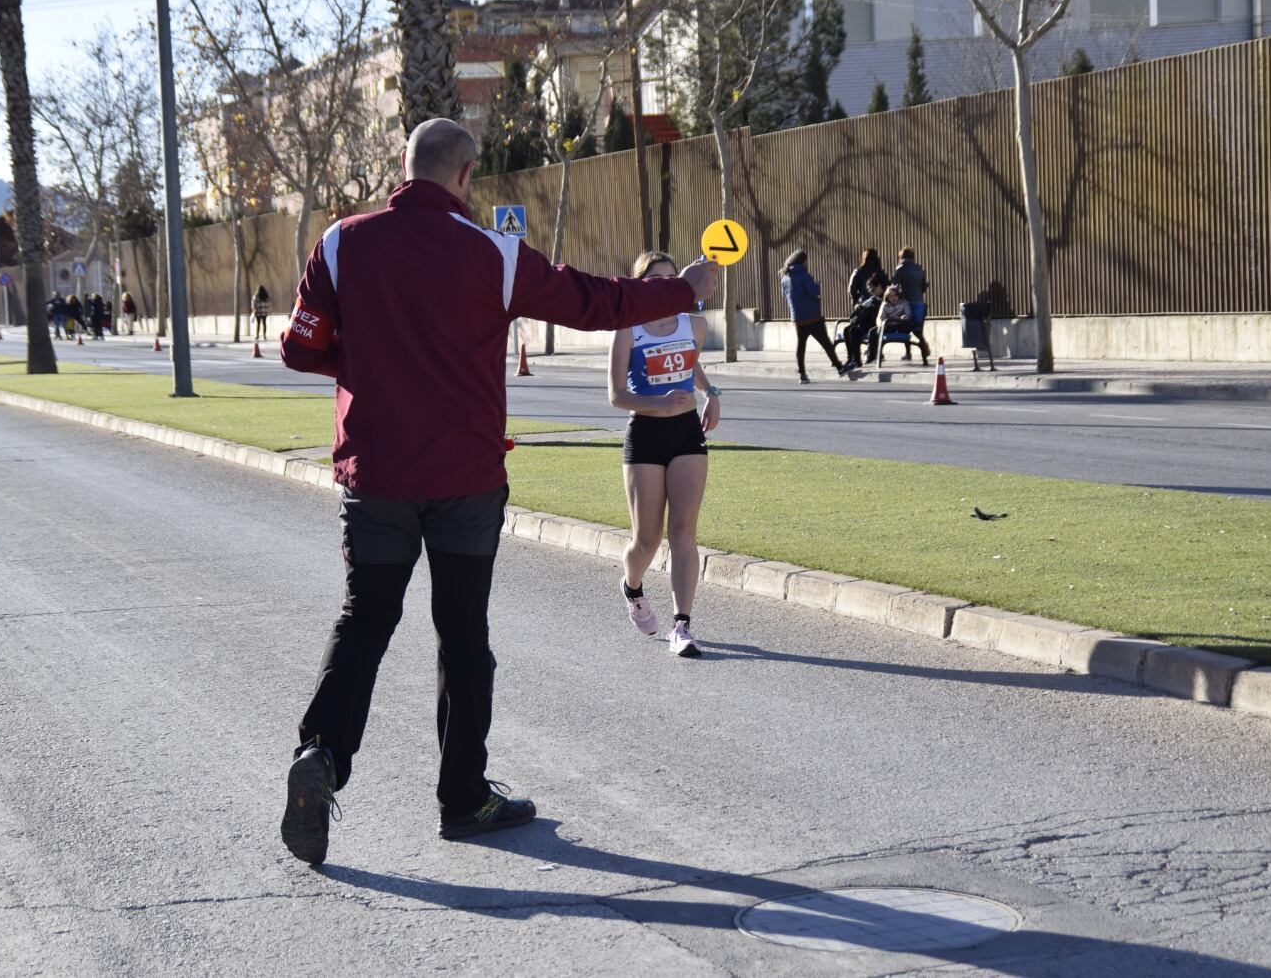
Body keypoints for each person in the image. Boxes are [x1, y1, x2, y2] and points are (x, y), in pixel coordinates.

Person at [276, 117, 718, 866]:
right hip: (466, 478)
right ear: (467, 175)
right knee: (462, 632)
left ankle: (319, 755)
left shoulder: (343, 242)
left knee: (365, 619)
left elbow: (297, 346)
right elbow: (591, 301)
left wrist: (371, 370)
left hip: (376, 474)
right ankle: (463, 796)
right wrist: (679, 290)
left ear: (404, 167)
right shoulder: (494, 254)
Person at [610, 251, 721, 659]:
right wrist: (660, 404)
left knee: (684, 533)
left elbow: (690, 366)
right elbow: (616, 395)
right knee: (647, 539)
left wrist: (711, 394)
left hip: (687, 433)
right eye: (659, 280)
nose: (670, 285)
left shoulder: (695, 324)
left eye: (674, 277)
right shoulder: (628, 328)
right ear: (642, 286)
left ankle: (683, 625)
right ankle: (633, 586)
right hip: (646, 435)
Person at [779, 249, 847, 384]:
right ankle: (839, 367)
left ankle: (802, 374)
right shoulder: (804, 275)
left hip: (797, 318)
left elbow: (784, 296)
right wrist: (818, 285)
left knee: (801, 346)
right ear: (802, 261)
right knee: (826, 343)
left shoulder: (785, 277)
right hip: (812, 316)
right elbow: (813, 292)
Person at [890, 247, 931, 364]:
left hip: (906, 302)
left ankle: (908, 353)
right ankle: (923, 350)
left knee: (905, 327)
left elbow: (894, 285)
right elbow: (923, 287)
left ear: (901, 257)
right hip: (919, 303)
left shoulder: (900, 268)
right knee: (918, 329)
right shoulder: (919, 269)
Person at [844, 279, 885, 368]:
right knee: (848, 330)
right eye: (870, 291)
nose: (872, 293)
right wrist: (859, 306)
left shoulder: (888, 296)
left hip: (876, 324)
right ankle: (852, 358)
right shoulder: (873, 298)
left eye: (873, 290)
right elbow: (864, 305)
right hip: (868, 323)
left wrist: (874, 303)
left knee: (854, 329)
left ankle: (856, 360)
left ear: (879, 287)